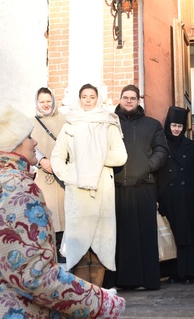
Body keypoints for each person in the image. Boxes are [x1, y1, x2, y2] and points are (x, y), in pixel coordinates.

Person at [0, 104, 125, 318]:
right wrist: (102, 303)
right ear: (13, 144)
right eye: (29, 136)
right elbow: (34, 275)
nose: (35, 141)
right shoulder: (15, 187)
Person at [50, 83, 128, 287]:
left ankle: (98, 296)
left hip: (102, 188)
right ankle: (82, 298)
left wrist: (96, 157)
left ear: (98, 98)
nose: (87, 100)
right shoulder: (70, 125)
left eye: (91, 96)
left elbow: (121, 156)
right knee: (79, 244)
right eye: (84, 96)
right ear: (79, 98)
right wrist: (69, 174)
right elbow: (57, 157)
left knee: (101, 243)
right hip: (78, 191)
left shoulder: (108, 123)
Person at [110, 84, 169, 290]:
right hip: (116, 187)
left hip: (144, 186)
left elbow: (162, 150)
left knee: (145, 235)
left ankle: (147, 281)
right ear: (119, 99)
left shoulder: (152, 125)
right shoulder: (110, 123)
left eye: (132, 98)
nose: (128, 101)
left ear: (138, 101)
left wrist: (147, 166)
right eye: (125, 97)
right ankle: (120, 281)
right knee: (120, 237)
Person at [157, 106, 194, 284]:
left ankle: (187, 272)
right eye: (174, 125)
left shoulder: (192, 146)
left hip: (185, 195)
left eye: (180, 126)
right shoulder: (160, 144)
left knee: (185, 235)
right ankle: (172, 272)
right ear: (168, 125)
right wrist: (155, 197)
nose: (176, 129)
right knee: (169, 234)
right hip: (166, 195)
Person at [31, 87, 67, 263]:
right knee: (48, 212)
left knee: (64, 212)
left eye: (48, 101)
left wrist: (61, 163)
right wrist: (42, 160)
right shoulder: (31, 123)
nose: (46, 105)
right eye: (42, 101)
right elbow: (29, 145)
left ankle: (63, 250)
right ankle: (48, 252)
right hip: (44, 175)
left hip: (62, 175)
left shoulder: (65, 120)